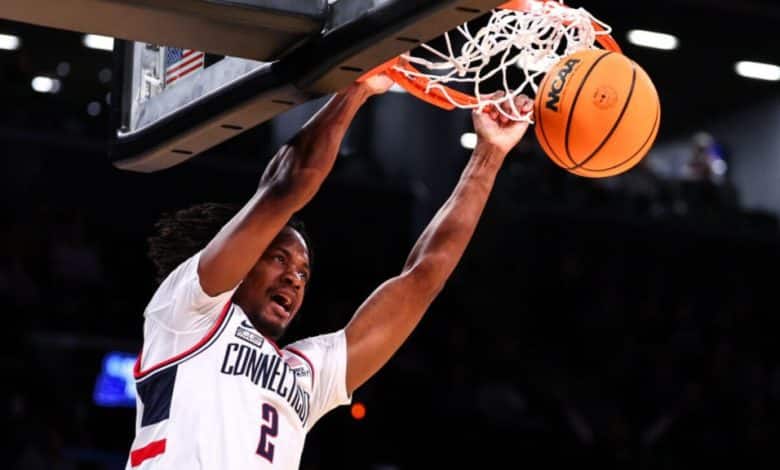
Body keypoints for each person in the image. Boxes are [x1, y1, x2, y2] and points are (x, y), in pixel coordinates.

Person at [124, 73, 533, 469]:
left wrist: (487, 156)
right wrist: (356, 86)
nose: (294, 279)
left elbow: (422, 278)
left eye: (303, 273)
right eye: (280, 259)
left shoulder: (307, 374)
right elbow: (287, 186)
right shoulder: (186, 312)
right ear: (243, 258)